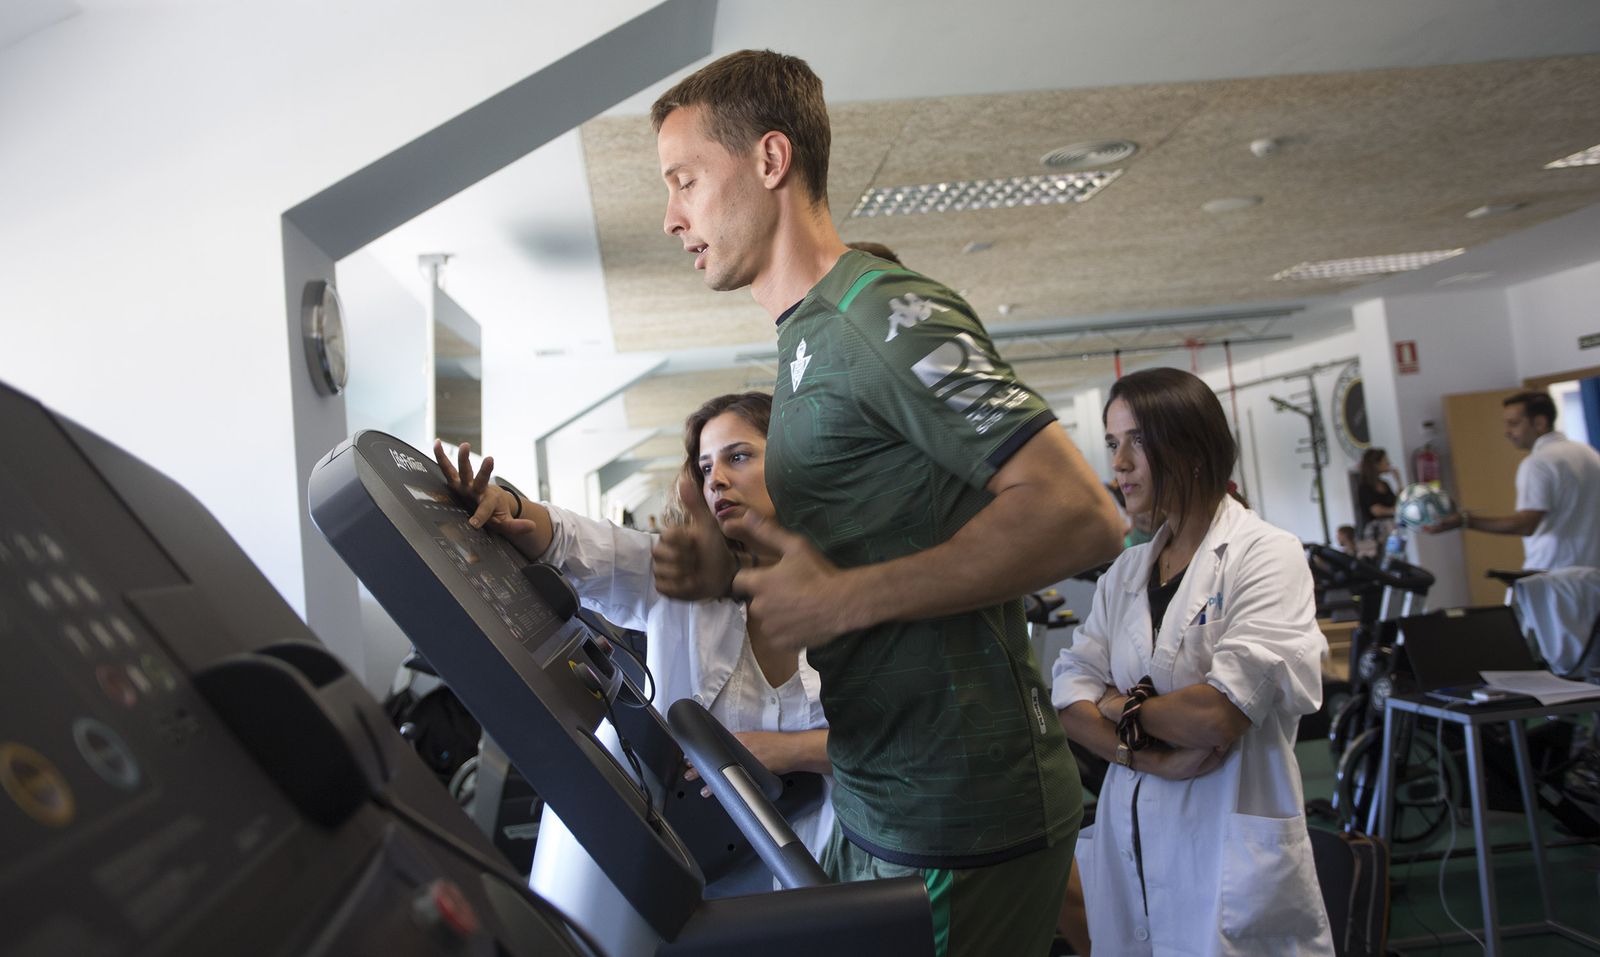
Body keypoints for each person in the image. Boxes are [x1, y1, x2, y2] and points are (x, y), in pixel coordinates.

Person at [649, 49, 1123, 957]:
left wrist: (846, 598)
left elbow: (1079, 513)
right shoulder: (804, 343)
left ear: (771, 160)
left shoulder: (882, 311)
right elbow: (865, 533)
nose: (672, 217)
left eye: (686, 181)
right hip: (878, 788)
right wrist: (734, 560)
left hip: (960, 806)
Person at [430, 392, 834, 888]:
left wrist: (787, 750)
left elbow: (903, 742)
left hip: (823, 850)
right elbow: (572, 542)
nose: (718, 480)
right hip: (690, 856)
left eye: (739, 456)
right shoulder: (673, 573)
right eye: (706, 468)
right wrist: (509, 504)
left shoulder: (851, 588)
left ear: (794, 460)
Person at [1052, 367, 1333, 956]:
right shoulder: (1126, 573)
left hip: (1227, 841)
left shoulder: (1265, 555)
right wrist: (1145, 755)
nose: (1119, 464)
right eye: (1111, 443)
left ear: (1190, 446)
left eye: (1137, 441)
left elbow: (1216, 717)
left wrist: (1115, 704)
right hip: (1131, 837)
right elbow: (1067, 702)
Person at [1425, 390, 1600, 570]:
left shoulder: (1538, 463)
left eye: (1514, 424)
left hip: (1555, 573)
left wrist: (1465, 520)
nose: (1507, 432)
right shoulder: (1588, 452)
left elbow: (1526, 525)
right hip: (1592, 572)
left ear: (1540, 423)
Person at [1355, 447, 1400, 536]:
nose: (1388, 463)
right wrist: (1394, 510)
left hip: (1391, 528)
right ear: (1376, 464)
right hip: (1376, 532)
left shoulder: (1385, 484)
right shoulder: (1365, 487)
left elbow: (1397, 502)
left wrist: (1398, 481)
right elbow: (1376, 511)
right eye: (1385, 461)